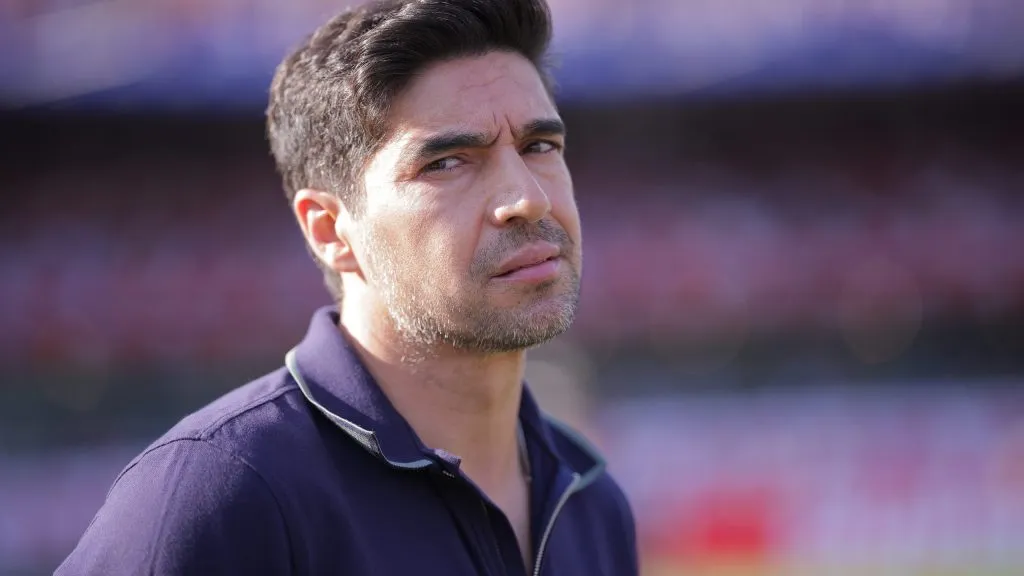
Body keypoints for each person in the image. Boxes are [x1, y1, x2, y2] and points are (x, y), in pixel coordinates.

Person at [56, 0, 639, 574]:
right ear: (331, 230)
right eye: (447, 162)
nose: (527, 198)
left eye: (540, 146)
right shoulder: (221, 492)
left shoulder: (592, 502)